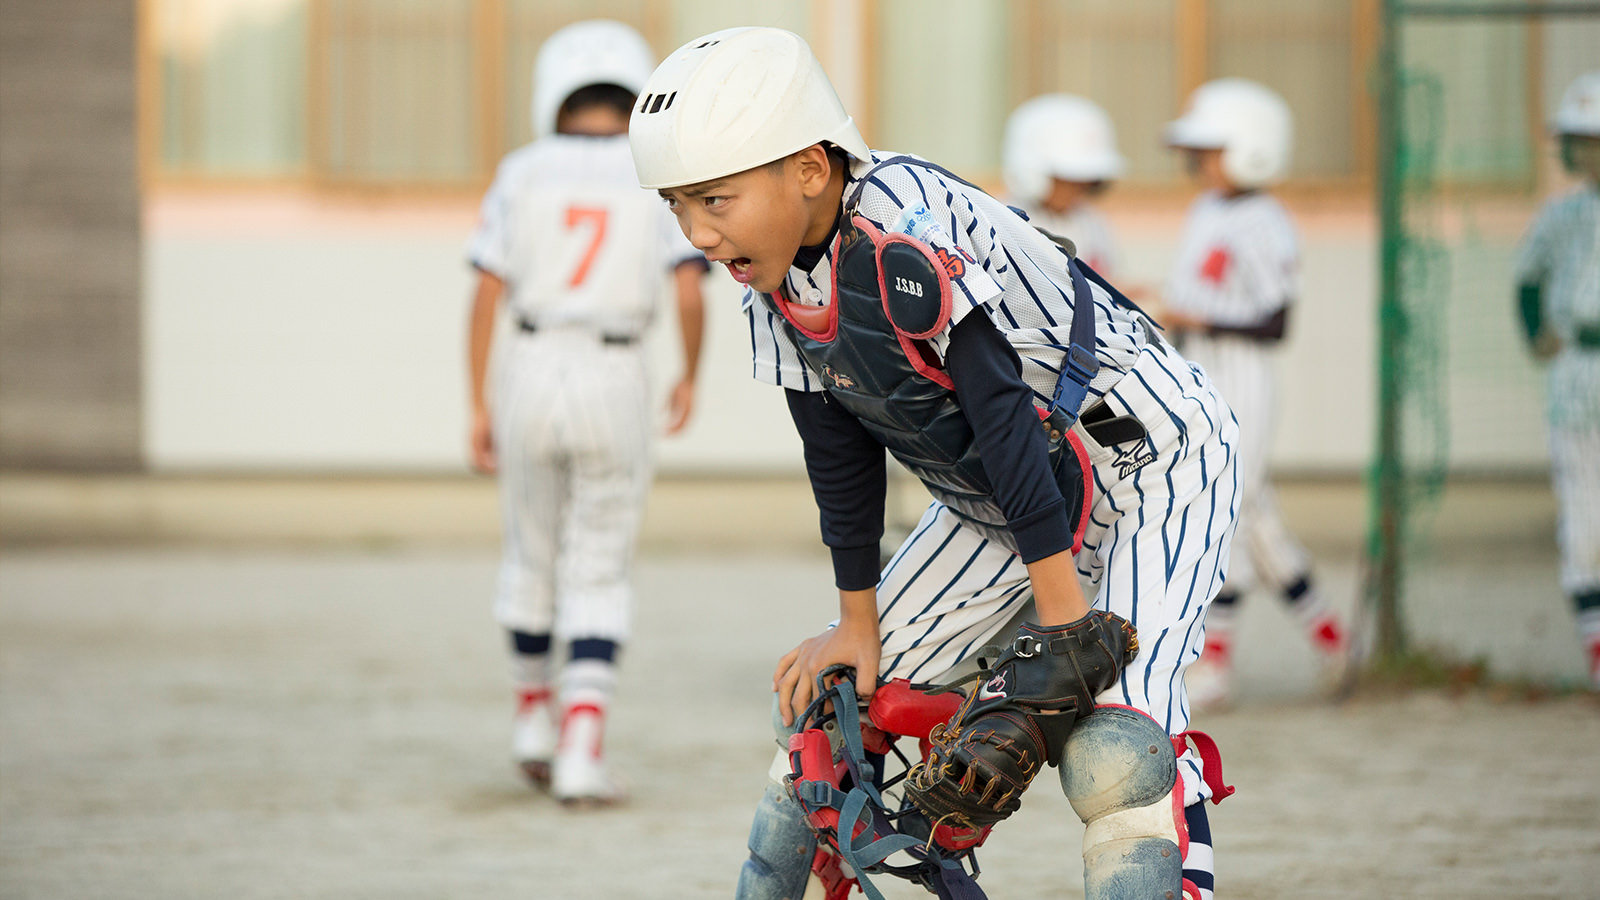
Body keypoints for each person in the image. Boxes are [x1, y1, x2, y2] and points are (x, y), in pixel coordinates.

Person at [629, 27, 1239, 900]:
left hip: (1151, 457)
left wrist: (1065, 623)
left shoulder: (900, 226)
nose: (695, 231)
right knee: (827, 714)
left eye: (714, 199)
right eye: (677, 205)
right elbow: (836, 452)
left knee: (1117, 749)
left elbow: (999, 412)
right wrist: (857, 624)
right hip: (1003, 494)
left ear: (807, 167)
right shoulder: (768, 279)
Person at [464, 19, 707, 805]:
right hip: (616, 367)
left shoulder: (521, 168)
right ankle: (581, 747)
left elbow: (487, 290)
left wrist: (476, 401)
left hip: (531, 363)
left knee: (529, 551)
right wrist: (688, 376)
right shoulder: (652, 169)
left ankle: (532, 719)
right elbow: (686, 282)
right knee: (597, 559)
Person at [1160, 78, 1348, 710]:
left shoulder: (1265, 221)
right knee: (1255, 517)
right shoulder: (1208, 211)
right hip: (1203, 369)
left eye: (1213, 149)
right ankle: (1331, 637)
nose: (1199, 161)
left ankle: (1215, 665)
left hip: (1244, 376)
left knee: (1228, 511)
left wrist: (1199, 320)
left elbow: (1276, 321)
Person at [1514, 69, 1600, 690]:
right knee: (1585, 517)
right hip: (1579, 367)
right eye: (1577, 138)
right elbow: (1528, 277)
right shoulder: (1563, 212)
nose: (1579, 149)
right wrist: (1536, 331)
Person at [1002, 93, 1126, 277]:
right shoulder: (1006, 224)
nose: (1077, 189)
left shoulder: (1091, 223)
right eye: (1067, 180)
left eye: (1085, 180)